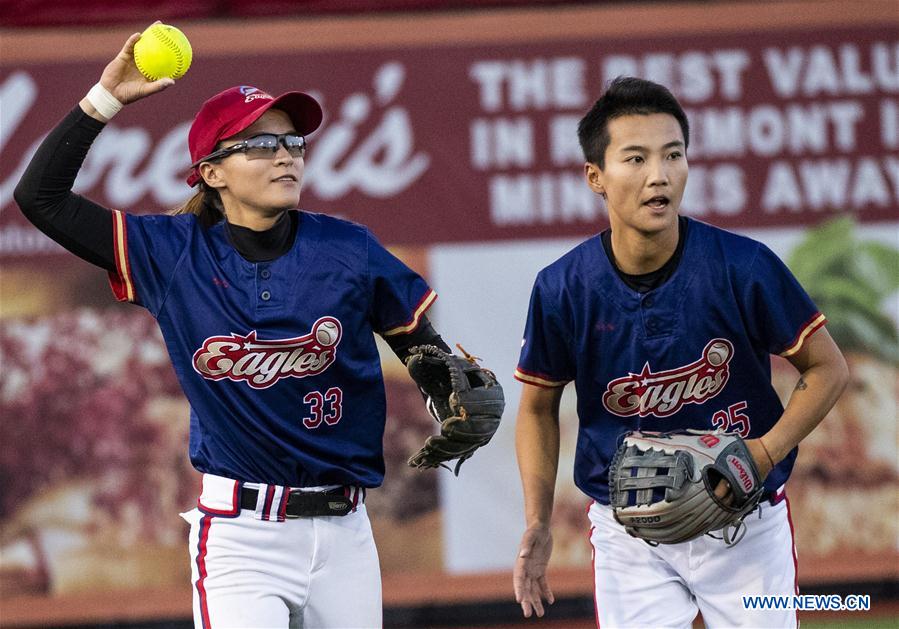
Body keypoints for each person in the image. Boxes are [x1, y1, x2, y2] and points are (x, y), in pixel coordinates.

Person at [14, 31, 481, 628]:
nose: (285, 154)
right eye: (260, 144)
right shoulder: (170, 252)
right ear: (212, 174)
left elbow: (419, 346)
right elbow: (40, 197)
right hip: (241, 537)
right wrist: (104, 100)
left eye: (292, 141)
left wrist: (455, 392)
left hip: (345, 534)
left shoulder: (346, 249)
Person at [511, 77, 849, 628]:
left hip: (743, 523)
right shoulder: (563, 288)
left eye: (674, 154)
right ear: (595, 176)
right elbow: (536, 406)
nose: (659, 175)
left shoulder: (743, 267)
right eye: (636, 158)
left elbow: (828, 368)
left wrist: (765, 452)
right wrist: (537, 521)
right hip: (630, 535)